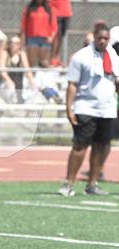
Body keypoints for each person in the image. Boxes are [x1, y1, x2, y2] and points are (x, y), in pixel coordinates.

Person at [59, 24, 119, 196]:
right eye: (100, 38)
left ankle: (92, 184)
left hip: (107, 109)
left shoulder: (112, 55)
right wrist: (69, 108)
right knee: (80, 146)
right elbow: (72, 85)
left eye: (106, 38)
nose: (103, 41)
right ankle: (68, 183)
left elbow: (115, 79)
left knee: (102, 146)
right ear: (94, 37)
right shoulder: (81, 57)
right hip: (86, 107)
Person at [21, 0, 58, 67]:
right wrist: (23, 38)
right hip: (32, 38)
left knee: (44, 62)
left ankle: (43, 77)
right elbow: (24, 24)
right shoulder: (29, 8)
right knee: (31, 61)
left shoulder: (49, 8)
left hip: (45, 39)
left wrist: (51, 37)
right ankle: (31, 76)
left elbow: (54, 25)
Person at [0, 35, 35, 104]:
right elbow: (2, 71)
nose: (15, 45)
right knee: (11, 88)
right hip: (7, 82)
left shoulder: (22, 54)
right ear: (9, 44)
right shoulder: (5, 53)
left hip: (19, 81)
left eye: (17, 43)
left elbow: (27, 70)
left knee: (32, 88)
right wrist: (9, 81)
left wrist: (32, 81)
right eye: (13, 42)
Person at [49, 0, 72, 66]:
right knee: (56, 36)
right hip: (55, 11)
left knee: (61, 37)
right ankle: (52, 59)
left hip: (66, 13)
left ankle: (56, 58)